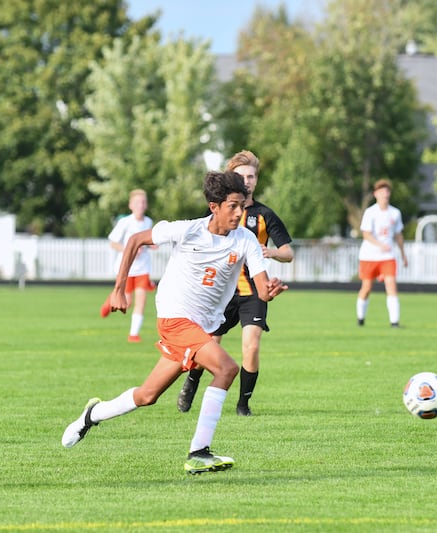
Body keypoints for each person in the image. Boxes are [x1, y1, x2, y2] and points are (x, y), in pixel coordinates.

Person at [62, 171, 288, 474]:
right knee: (227, 368)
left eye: (242, 206)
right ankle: (199, 451)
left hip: (201, 326)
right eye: (232, 206)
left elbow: (261, 288)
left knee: (147, 395)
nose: (239, 213)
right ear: (214, 206)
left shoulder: (246, 240)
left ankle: (92, 415)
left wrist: (270, 291)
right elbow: (135, 240)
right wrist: (119, 289)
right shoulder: (188, 230)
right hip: (174, 317)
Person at [176, 150, 294, 417]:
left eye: (252, 176)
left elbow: (288, 252)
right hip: (221, 291)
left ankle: (243, 404)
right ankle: (192, 381)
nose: (248, 181)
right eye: (242, 176)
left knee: (251, 345)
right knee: (208, 344)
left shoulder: (265, 215)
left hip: (253, 290)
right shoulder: (219, 211)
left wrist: (271, 252)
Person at [99, 189, 156, 342]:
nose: (140, 205)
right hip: (126, 268)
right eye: (137, 202)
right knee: (127, 302)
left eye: (143, 202)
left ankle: (133, 334)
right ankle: (110, 302)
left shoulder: (148, 222)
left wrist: (152, 246)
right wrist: (128, 250)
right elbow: (113, 243)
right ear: (131, 205)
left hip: (143, 268)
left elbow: (148, 241)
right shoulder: (125, 222)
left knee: (141, 300)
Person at [356, 179, 408, 327]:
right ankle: (361, 319)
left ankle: (394, 322)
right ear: (376, 194)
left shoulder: (395, 213)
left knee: (391, 285)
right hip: (369, 255)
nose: (385, 194)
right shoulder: (370, 212)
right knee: (367, 288)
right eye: (381, 191)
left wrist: (403, 254)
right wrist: (380, 245)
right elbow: (366, 234)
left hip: (387, 257)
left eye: (387, 191)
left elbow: (398, 235)